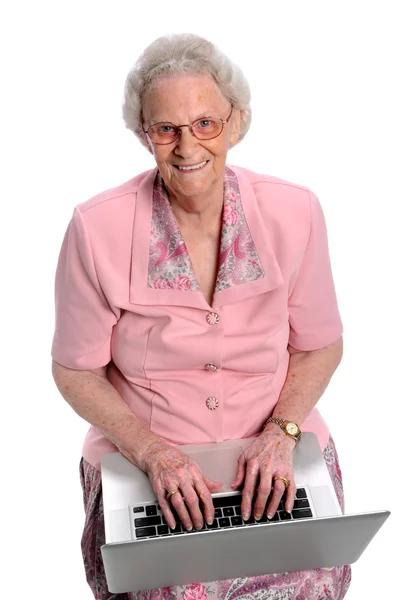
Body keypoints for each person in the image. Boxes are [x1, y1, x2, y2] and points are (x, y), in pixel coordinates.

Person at [51, 33, 352, 600]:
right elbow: (75, 371)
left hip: (275, 453)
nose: (188, 146)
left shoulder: (296, 211)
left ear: (235, 123)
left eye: (205, 124)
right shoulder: (97, 228)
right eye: (166, 128)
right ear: (145, 135)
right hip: (147, 466)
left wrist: (282, 433)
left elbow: (319, 345)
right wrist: (152, 453)